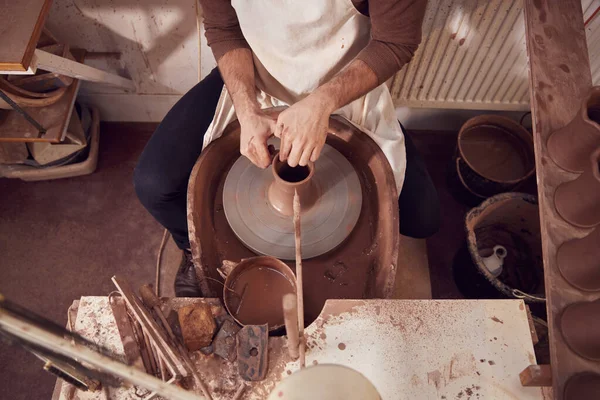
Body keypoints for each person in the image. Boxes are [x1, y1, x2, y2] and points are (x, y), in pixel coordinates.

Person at [134, 0, 440, 297]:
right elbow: (223, 28)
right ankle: (192, 247)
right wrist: (246, 108)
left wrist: (322, 103)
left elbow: (395, 42)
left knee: (423, 218)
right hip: (256, 78)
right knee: (153, 185)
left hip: (342, 93)